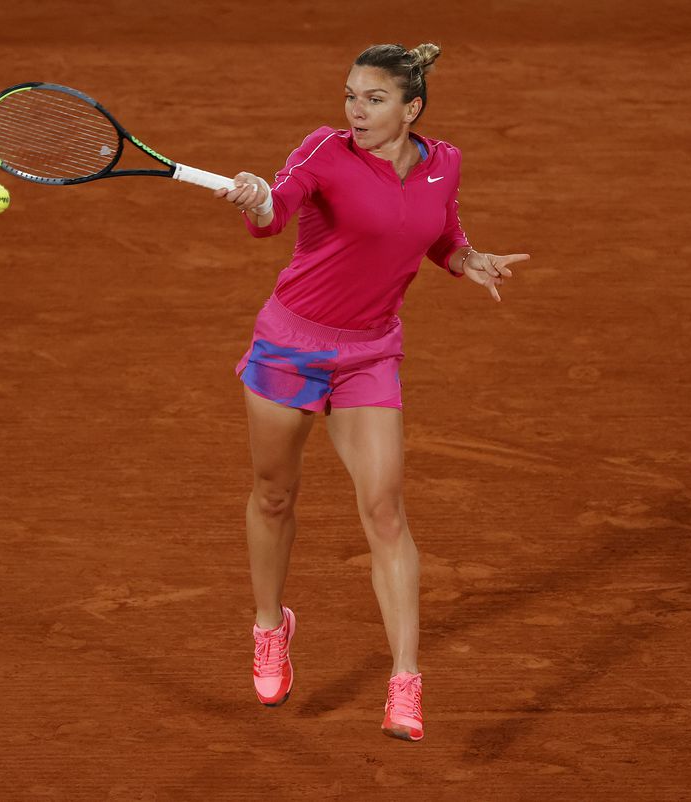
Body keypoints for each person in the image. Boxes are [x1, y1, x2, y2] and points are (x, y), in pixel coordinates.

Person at [213, 42, 530, 742]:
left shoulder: (443, 163)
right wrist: (256, 199)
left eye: (374, 98)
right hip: (290, 347)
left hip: (369, 355)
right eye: (351, 95)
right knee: (274, 493)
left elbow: (438, 233)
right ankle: (271, 625)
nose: (355, 109)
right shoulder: (323, 151)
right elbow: (276, 209)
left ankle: (405, 682)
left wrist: (467, 259)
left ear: (411, 108)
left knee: (385, 509)